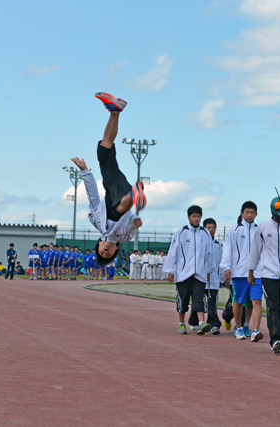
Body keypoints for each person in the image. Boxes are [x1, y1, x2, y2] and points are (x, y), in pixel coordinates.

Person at [70, 92, 145, 271]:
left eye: (101, 254)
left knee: (104, 152)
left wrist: (85, 171)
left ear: (98, 246)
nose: (105, 254)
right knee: (121, 207)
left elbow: (92, 196)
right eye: (108, 255)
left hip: (111, 189)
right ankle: (133, 195)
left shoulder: (94, 220)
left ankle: (115, 111)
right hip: (121, 197)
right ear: (115, 250)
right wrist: (136, 223)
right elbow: (134, 223)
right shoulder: (124, 237)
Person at [248, 192, 280, 351]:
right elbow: (255, 251)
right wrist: (251, 272)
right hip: (268, 274)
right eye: (277, 214)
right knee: (274, 306)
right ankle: (276, 340)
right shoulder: (263, 227)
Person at [163, 205, 213, 335]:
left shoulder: (205, 233)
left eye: (198, 216)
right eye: (194, 216)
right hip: (184, 273)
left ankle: (201, 323)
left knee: (199, 298)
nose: (196, 219)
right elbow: (173, 251)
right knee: (183, 299)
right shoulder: (181, 232)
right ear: (188, 217)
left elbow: (210, 253)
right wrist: (170, 270)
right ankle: (181, 323)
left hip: (200, 273)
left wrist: (209, 270)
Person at [220, 201, 260, 340]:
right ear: (242, 214)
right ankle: (237, 328)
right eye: (247, 212)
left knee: (254, 302)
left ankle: (248, 326)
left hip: (257, 273)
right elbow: (227, 250)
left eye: (252, 212)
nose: (249, 215)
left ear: (256, 214)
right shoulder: (234, 231)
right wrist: (226, 268)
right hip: (239, 272)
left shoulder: (259, 230)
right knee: (239, 301)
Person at [189, 218, 224, 334]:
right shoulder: (199, 242)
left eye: (214, 228)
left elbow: (221, 263)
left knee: (212, 303)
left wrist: (224, 279)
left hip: (213, 280)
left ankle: (214, 324)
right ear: (204, 229)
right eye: (209, 227)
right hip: (200, 278)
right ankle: (195, 322)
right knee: (198, 301)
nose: (212, 230)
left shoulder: (218, 245)